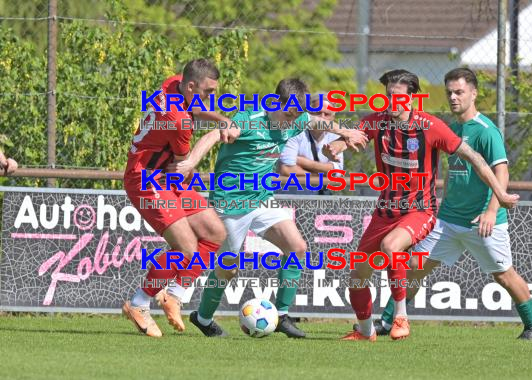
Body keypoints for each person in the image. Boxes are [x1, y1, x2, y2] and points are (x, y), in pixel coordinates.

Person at [323, 69, 519, 342]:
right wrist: (335, 146)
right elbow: (351, 137)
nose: (392, 101)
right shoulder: (378, 121)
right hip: (385, 211)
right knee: (357, 278)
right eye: (389, 95)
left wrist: (501, 193)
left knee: (392, 247)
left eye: (399, 96)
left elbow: (475, 157)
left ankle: (401, 317)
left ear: (412, 98)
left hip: (419, 210)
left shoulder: (431, 126)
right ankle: (365, 332)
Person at [166, 78, 367, 338]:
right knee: (228, 268)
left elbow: (319, 122)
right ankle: (203, 318)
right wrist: (191, 161)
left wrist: (346, 132)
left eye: (296, 116)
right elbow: (213, 134)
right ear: (276, 103)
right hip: (231, 203)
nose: (291, 122)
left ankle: (281, 314)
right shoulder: (250, 120)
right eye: (287, 115)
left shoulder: (297, 118)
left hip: (262, 199)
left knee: (297, 247)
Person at [368, 68, 532, 340]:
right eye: (449, 92)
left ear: (474, 94)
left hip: (482, 221)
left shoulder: (487, 131)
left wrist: (491, 210)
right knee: (415, 266)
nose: (453, 97)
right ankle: (389, 320)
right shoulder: (451, 128)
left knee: (503, 275)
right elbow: (451, 171)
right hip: (449, 218)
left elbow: (502, 172)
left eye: (459, 92)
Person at [122, 58, 240, 338]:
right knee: (186, 248)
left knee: (214, 232)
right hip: (146, 178)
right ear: (190, 85)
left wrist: (224, 120)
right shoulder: (178, 122)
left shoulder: (173, 83)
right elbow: (183, 164)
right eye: (209, 92)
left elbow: (197, 108)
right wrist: (214, 139)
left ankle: (174, 295)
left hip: (164, 175)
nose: (212, 98)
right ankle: (138, 304)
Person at [278, 93, 344, 196]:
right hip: (293, 195)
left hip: (322, 197)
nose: (322, 118)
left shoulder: (335, 137)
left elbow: (337, 172)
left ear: (333, 117)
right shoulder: (294, 131)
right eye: (318, 113)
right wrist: (320, 176)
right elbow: (286, 169)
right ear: (308, 114)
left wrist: (301, 161)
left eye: (326, 114)